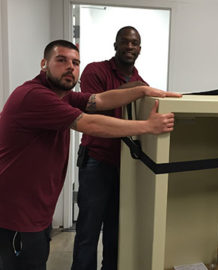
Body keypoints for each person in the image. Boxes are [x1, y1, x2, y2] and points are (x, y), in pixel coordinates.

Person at [0, 39, 181, 270]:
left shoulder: (62, 95)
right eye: (62, 60)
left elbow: (100, 100)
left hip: (34, 212)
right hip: (17, 215)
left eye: (75, 62)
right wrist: (147, 126)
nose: (70, 67)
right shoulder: (34, 95)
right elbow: (88, 123)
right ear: (44, 64)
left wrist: (142, 90)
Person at [70, 26, 150, 270]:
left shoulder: (139, 81)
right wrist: (137, 89)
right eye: (124, 42)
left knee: (117, 231)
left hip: (125, 167)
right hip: (96, 162)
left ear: (139, 49)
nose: (129, 47)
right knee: (88, 230)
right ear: (115, 45)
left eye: (134, 43)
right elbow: (93, 105)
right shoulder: (96, 70)